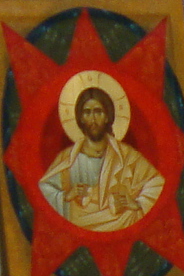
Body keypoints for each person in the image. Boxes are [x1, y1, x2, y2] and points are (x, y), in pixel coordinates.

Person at [40, 82, 163, 232]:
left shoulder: (126, 156)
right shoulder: (67, 159)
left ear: (107, 116)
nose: (93, 119)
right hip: (78, 227)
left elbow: (157, 184)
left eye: (98, 112)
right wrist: (66, 196)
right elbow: (43, 191)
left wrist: (137, 203)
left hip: (120, 225)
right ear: (80, 118)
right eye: (87, 112)